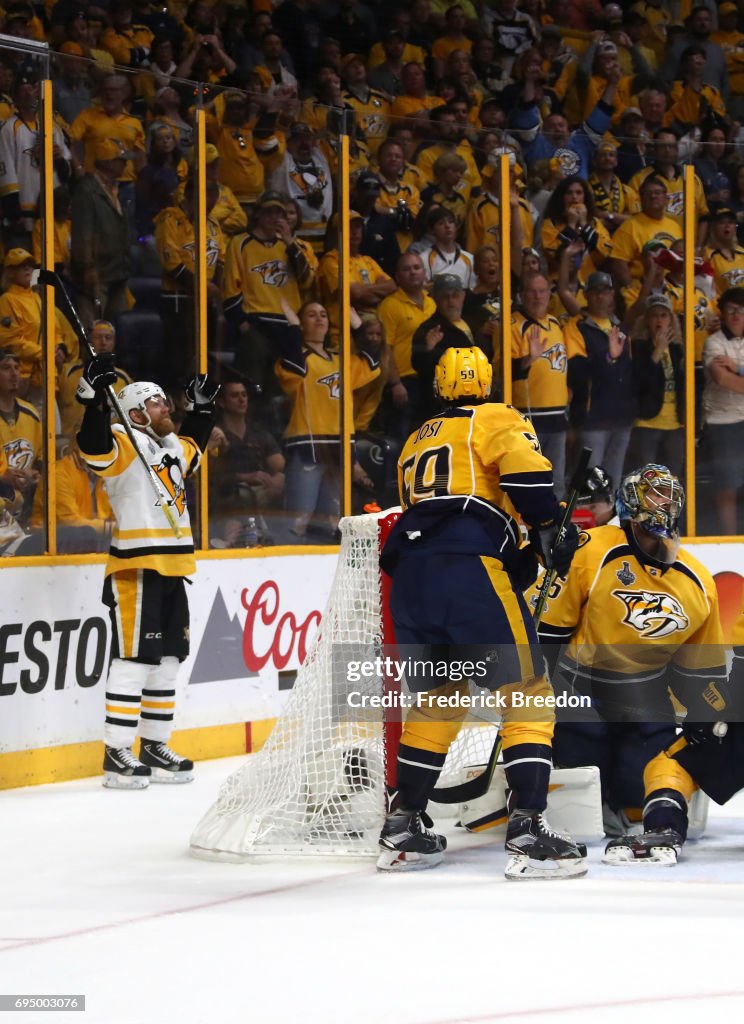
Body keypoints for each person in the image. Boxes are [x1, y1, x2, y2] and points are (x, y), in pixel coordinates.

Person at [377, 346, 584, 879]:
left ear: (441, 386)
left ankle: (403, 825)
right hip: (466, 570)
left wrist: (530, 553)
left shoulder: (415, 439)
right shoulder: (497, 417)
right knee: (528, 696)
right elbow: (528, 485)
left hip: (412, 576)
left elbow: (455, 512)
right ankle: (528, 829)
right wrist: (552, 527)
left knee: (438, 703)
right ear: (488, 381)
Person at [537, 464, 729, 862]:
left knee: (637, 804)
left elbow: (703, 672)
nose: (661, 508)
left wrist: (710, 728)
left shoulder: (697, 580)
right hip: (580, 689)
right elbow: (547, 637)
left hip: (646, 696)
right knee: (582, 810)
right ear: (630, 509)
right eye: (652, 498)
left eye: (666, 498)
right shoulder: (590, 549)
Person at [75, 360, 219, 787]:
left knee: (168, 659)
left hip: (173, 566)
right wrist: (95, 401)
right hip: (136, 566)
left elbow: (194, 444)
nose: (166, 407)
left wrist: (202, 409)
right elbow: (92, 447)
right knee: (133, 660)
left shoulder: (168, 444)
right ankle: (116, 752)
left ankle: (154, 745)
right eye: (157, 403)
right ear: (135, 412)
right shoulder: (122, 440)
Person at [702, 286, 744, 534]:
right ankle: (729, 539)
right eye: (731, 309)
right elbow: (722, 379)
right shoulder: (713, 342)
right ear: (723, 313)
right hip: (723, 421)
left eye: (741, 309)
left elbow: (733, 377)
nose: (737, 314)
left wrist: (736, 368)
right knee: (727, 485)